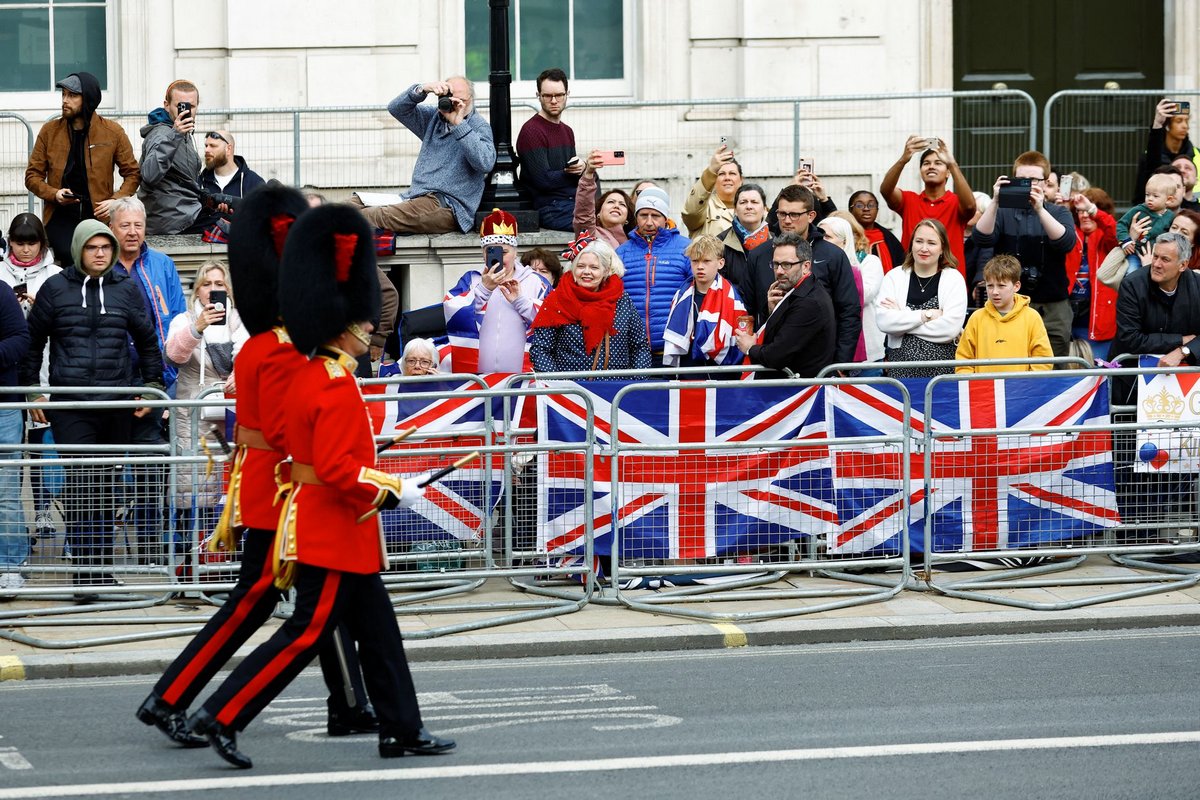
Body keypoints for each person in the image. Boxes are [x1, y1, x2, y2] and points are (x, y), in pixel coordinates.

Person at [187, 202, 455, 768]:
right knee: (305, 633)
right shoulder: (331, 382)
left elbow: (319, 451)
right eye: (363, 321)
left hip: (341, 531)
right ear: (342, 323)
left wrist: (372, 461)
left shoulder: (322, 375)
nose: (369, 328)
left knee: (380, 635)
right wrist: (389, 489)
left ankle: (401, 729)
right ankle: (222, 714)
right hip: (332, 531)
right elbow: (334, 470)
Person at [138, 184, 378, 754]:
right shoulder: (281, 349)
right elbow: (287, 431)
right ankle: (170, 698)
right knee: (254, 601)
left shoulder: (267, 344)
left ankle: (350, 701)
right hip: (280, 492)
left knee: (320, 601)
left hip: (272, 484)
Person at [20, 219, 163, 593]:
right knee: (82, 486)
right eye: (92, 247)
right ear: (79, 249)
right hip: (71, 406)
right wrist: (33, 391)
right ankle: (85, 576)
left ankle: (102, 571)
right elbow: (32, 344)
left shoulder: (126, 289)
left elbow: (148, 342)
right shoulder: (55, 289)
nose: (100, 253)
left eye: (105, 247)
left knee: (107, 487)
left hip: (116, 403)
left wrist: (151, 388)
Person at [108, 196, 188, 564]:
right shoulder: (101, 264)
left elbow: (178, 322)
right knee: (102, 471)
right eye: (125, 225)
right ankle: (97, 554)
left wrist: (162, 381)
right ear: (112, 228)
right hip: (109, 382)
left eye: (138, 225)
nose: (132, 232)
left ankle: (150, 552)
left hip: (153, 380)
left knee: (150, 471)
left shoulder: (162, 265)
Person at [163, 261, 248, 543]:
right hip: (192, 413)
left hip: (232, 411)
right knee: (193, 482)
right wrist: (197, 328)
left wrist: (240, 372)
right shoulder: (183, 319)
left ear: (228, 289)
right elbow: (173, 356)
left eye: (219, 284)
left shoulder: (241, 320)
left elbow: (249, 353)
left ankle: (225, 552)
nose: (213, 290)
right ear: (197, 290)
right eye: (206, 284)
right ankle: (190, 554)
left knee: (227, 478)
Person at [351, 77, 495, 235]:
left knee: (374, 216)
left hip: (448, 206)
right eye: (449, 98)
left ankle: (336, 228)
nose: (454, 104)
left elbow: (485, 163)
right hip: (414, 198)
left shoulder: (478, 126)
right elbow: (396, 108)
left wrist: (459, 125)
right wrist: (423, 89)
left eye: (460, 100)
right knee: (349, 205)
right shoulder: (434, 118)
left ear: (471, 100)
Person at [24, 71, 140, 265]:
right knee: (70, 253)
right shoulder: (49, 131)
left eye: (72, 96)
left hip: (99, 215)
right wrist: (55, 194)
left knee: (100, 254)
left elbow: (133, 174)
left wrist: (115, 201)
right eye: (63, 95)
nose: (65, 101)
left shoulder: (113, 132)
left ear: (88, 99)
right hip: (60, 215)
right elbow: (32, 176)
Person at [971, 150, 1077, 358]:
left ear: (1046, 183)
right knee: (1010, 362)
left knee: (1054, 365)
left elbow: (1066, 243)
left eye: (1033, 180)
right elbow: (981, 238)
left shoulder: (1059, 212)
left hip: (1053, 307)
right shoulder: (1002, 212)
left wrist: (1040, 210)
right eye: (1020, 180)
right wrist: (995, 201)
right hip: (1009, 304)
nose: (1027, 185)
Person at [745, 185, 861, 365]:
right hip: (769, 361)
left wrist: (840, 365)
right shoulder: (758, 255)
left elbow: (849, 312)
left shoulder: (833, 255)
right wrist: (768, 310)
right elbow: (748, 309)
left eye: (794, 215)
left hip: (820, 366)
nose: (787, 220)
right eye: (782, 214)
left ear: (811, 216)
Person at [0, 214, 62, 544]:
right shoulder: (0, 274)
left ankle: (43, 511)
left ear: (42, 243)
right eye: (19, 242)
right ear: (10, 242)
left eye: (31, 242)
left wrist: (42, 309)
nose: (25, 249)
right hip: (8, 372)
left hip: (43, 369)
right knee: (11, 453)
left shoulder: (54, 276)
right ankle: (15, 523)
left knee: (41, 445)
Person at [442, 208, 550, 374]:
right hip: (478, 379)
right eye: (491, 251)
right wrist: (483, 290)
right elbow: (451, 314)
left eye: (504, 252)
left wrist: (520, 302)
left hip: (523, 378)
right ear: (483, 253)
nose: (499, 258)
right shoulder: (472, 279)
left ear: (515, 252)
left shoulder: (536, 282)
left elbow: (551, 322)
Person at [530, 240, 652, 375]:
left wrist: (635, 382)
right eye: (581, 266)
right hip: (569, 386)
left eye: (594, 267)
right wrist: (559, 384)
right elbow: (541, 350)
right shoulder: (557, 299)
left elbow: (640, 346)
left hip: (618, 386)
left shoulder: (621, 299)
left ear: (606, 271)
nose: (586, 272)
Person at [732, 233, 836, 379]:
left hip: (800, 389)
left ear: (806, 266)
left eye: (787, 265)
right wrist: (773, 311)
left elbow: (776, 356)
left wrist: (750, 347)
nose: (779, 271)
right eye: (776, 264)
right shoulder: (800, 291)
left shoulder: (809, 302)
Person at [875, 218, 967, 378]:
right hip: (900, 375)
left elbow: (950, 329)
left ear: (942, 248)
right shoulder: (894, 277)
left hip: (942, 376)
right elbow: (884, 322)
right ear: (911, 244)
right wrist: (926, 315)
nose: (924, 248)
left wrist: (902, 319)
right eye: (919, 241)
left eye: (931, 243)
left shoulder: (953, 279)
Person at [614, 187, 693, 364]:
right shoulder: (621, 253)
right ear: (636, 217)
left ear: (665, 218)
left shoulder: (686, 248)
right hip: (632, 350)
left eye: (655, 216)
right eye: (643, 215)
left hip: (675, 348)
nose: (649, 222)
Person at [880, 135, 977, 278]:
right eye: (926, 163)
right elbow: (886, 191)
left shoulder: (956, 202)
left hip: (948, 278)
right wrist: (903, 159)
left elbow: (969, 206)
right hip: (911, 277)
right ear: (921, 171)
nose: (931, 166)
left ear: (948, 172)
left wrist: (952, 164)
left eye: (938, 163)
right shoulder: (909, 200)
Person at [662, 234, 748, 376]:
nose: (700, 267)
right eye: (695, 261)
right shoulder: (681, 295)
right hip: (687, 373)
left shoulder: (733, 298)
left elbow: (738, 342)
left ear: (720, 263)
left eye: (706, 261)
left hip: (720, 374)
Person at [954, 254, 1053, 373]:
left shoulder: (1032, 317)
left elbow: (1043, 359)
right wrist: (972, 382)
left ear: (1016, 286)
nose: (995, 292)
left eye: (1001, 286)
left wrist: (1027, 382)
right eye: (990, 286)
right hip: (984, 385)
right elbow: (964, 360)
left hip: (1021, 385)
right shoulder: (976, 318)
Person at [139, 79, 213, 235]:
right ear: (166, 105)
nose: (186, 111)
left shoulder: (182, 133)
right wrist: (175, 136)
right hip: (171, 219)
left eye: (191, 106)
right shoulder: (162, 134)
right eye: (180, 106)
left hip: (185, 212)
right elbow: (149, 175)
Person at [515, 68, 581, 231]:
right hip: (549, 208)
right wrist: (574, 173)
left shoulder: (567, 131)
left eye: (559, 95)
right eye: (547, 96)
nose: (554, 101)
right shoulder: (531, 131)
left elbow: (570, 171)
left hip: (572, 202)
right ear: (538, 96)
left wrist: (584, 168)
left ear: (567, 94)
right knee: (597, 226)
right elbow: (543, 180)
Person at [820, 214, 884, 369]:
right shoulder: (817, 265)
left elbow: (864, 295)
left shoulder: (869, 262)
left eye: (827, 237)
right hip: (830, 348)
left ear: (846, 239)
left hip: (867, 350)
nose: (822, 241)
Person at [0, 286, 30, 595]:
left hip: (3, 407)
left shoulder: (1, 293)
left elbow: (20, 339)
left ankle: (10, 565)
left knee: (5, 493)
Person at [1132, 98, 1199, 205]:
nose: (1185, 126)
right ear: (1167, 126)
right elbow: (1140, 196)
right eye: (1179, 121)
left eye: (1186, 121)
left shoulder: (1197, 154)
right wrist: (1157, 124)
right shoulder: (1150, 156)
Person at [715, 183, 770, 298]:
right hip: (733, 306)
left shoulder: (776, 242)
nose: (749, 206)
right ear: (735, 209)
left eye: (754, 202)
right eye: (743, 202)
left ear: (765, 209)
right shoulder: (719, 243)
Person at [199, 130, 265, 218]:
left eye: (213, 146)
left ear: (228, 149)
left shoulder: (253, 182)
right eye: (206, 146)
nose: (206, 150)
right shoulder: (200, 182)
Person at [572, 153, 630, 250]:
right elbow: (584, 214)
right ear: (598, 213)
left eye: (622, 204)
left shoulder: (633, 241)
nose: (616, 206)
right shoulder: (591, 234)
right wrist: (588, 173)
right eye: (610, 202)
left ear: (627, 217)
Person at [681, 144, 741, 237]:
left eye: (732, 173)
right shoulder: (704, 207)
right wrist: (711, 170)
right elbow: (691, 214)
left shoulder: (752, 206)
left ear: (741, 180)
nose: (727, 178)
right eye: (721, 174)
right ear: (713, 179)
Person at [1116, 173, 1177, 255]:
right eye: (1147, 195)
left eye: (1155, 196)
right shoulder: (1138, 210)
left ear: (1168, 200)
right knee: (1131, 264)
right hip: (1135, 252)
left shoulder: (1171, 217)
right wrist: (1126, 241)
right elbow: (1121, 224)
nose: (1150, 199)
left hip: (1157, 256)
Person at [848, 190, 905, 273]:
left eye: (871, 205)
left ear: (877, 210)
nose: (866, 209)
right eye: (859, 205)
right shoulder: (846, 236)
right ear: (850, 210)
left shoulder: (888, 238)